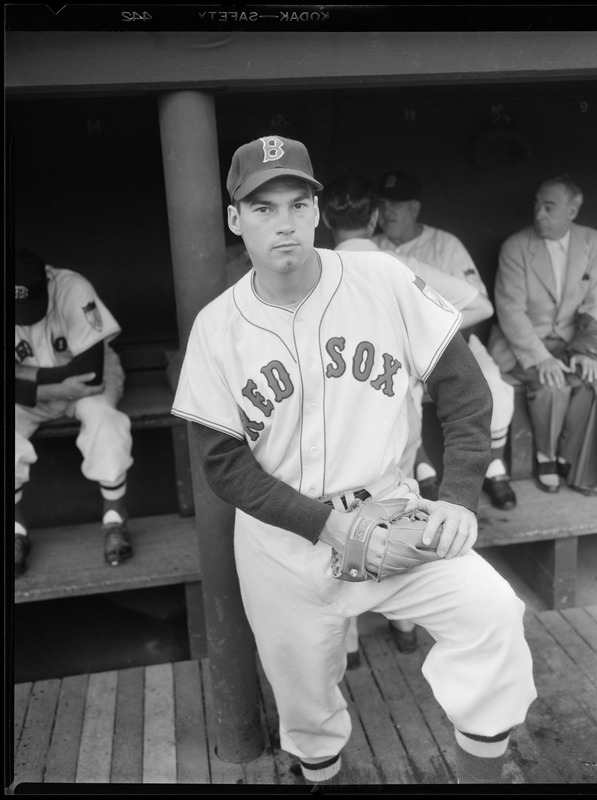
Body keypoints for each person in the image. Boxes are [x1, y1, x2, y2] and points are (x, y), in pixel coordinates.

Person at [172, 135, 536, 785]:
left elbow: (465, 394)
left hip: (396, 512)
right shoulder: (217, 330)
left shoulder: (384, 280)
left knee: (492, 613)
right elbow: (223, 463)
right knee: (306, 708)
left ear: (317, 211)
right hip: (285, 545)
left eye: (295, 203)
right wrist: (325, 525)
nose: (283, 223)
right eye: (261, 208)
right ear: (235, 220)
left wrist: (455, 497)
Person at [321, 174, 494, 664]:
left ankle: (349, 645)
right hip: (395, 416)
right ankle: (403, 627)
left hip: (336, 423)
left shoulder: (310, 272)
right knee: (395, 508)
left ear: (324, 219)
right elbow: (478, 302)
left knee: (339, 522)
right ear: (374, 218)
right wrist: (423, 340)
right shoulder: (397, 266)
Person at [373, 171, 517, 511]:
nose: (387, 211)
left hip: (456, 342)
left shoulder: (445, 244)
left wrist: (432, 332)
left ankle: (494, 467)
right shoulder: (374, 247)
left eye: (396, 204)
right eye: (382, 204)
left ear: (415, 207)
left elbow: (479, 302)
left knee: (496, 385)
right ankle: (423, 468)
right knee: (393, 393)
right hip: (397, 351)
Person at [488, 175, 597, 494]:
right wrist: (541, 359)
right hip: (523, 343)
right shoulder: (516, 246)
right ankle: (545, 457)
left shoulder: (593, 242)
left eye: (549, 207)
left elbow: (596, 301)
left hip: (574, 341)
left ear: (572, 211)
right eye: (536, 206)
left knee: (594, 378)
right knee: (551, 382)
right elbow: (511, 312)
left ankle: (569, 457)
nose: (539, 215)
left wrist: (588, 351)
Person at [14, 250, 134, 575]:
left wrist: (24, 377)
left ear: (48, 281)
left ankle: (114, 521)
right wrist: (51, 386)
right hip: (40, 395)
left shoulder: (71, 288)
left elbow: (91, 376)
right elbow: (71, 378)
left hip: (87, 387)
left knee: (105, 421)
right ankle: (16, 530)